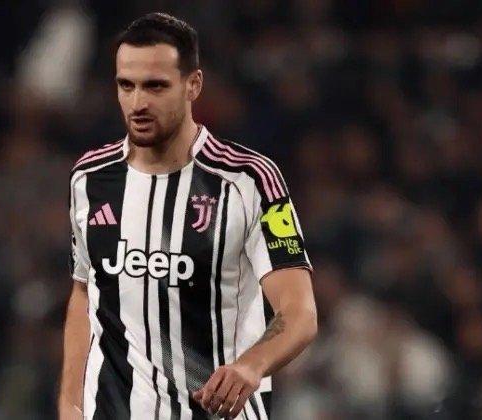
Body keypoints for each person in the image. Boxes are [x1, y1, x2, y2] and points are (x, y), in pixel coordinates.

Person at [58, 12, 317, 420]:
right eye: (127, 85)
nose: (138, 103)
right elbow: (83, 292)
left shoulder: (250, 180)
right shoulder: (89, 178)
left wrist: (250, 366)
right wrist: (70, 404)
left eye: (156, 86)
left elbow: (299, 313)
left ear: (193, 85)